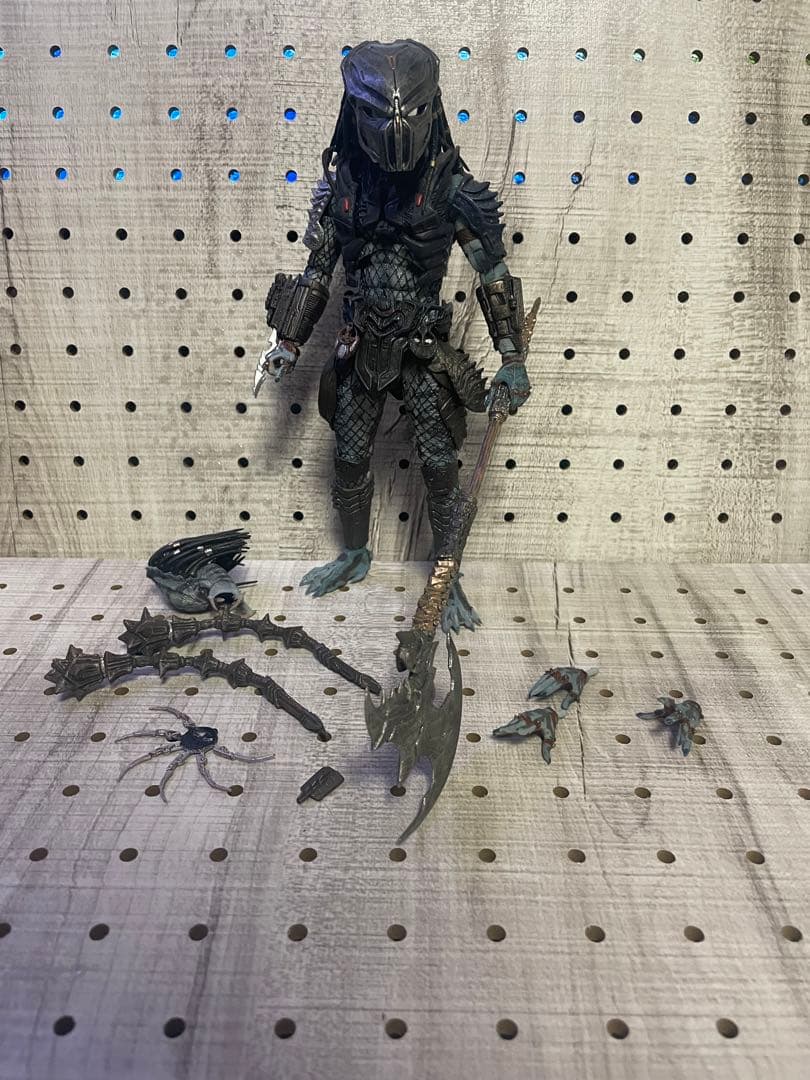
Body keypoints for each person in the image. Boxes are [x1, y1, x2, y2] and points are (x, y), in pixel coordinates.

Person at [256, 38, 531, 632]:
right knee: (350, 456)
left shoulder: (453, 192)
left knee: (440, 466)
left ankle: (446, 574)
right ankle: (356, 553)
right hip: (359, 348)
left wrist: (512, 356)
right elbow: (316, 273)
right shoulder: (341, 193)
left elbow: (492, 273)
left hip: (424, 352)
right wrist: (288, 342)